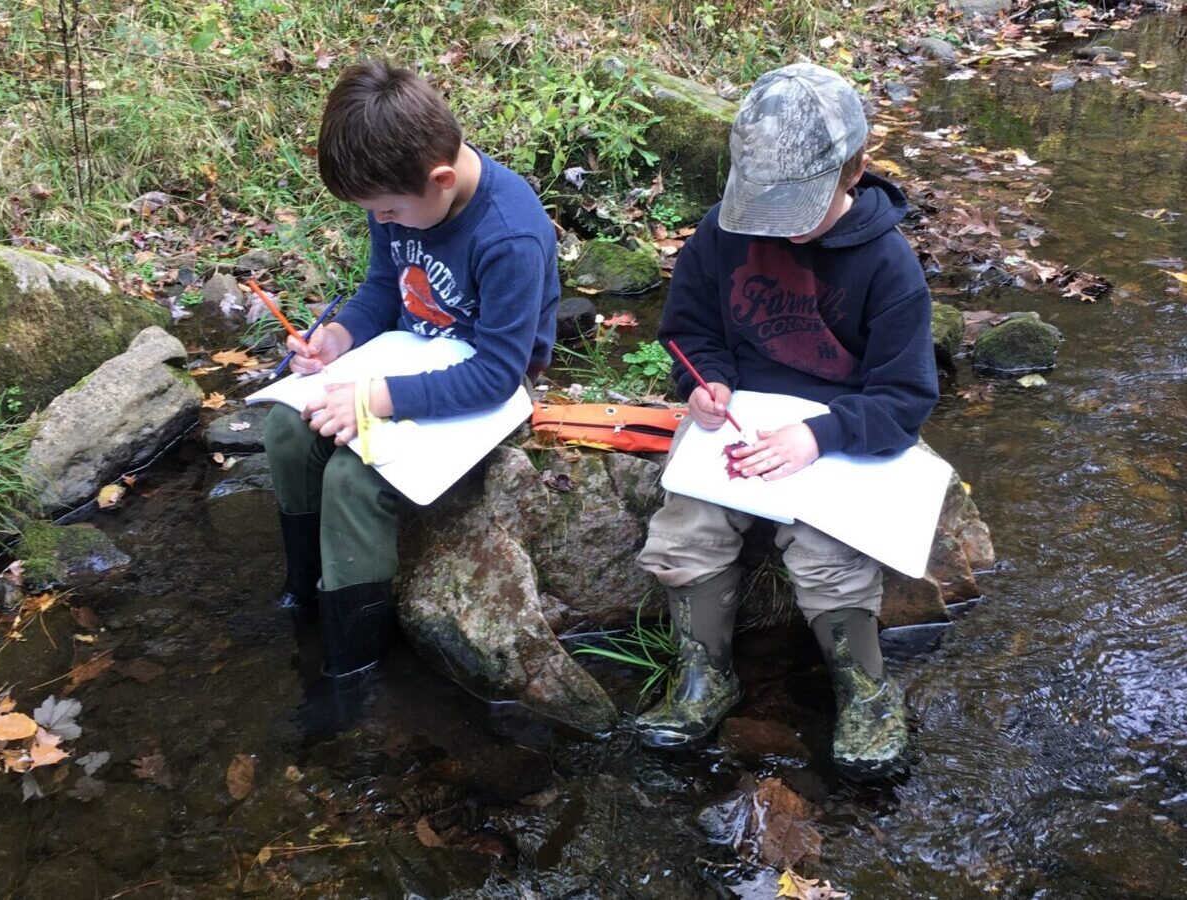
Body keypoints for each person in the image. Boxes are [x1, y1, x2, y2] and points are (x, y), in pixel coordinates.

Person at [633, 63, 938, 780]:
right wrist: (705, 383)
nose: (777, 231)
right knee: (687, 528)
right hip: (738, 421)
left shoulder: (888, 267)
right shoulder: (720, 233)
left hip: (843, 432)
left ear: (854, 172)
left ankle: (863, 688)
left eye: (795, 212)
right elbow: (691, 330)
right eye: (764, 211)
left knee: (829, 552)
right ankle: (704, 674)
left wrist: (819, 436)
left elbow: (905, 398)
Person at [262, 60, 559, 743]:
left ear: (441, 181)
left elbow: (496, 375)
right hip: (410, 358)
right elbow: (381, 289)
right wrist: (335, 339)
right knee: (286, 428)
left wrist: (378, 399)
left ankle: (351, 669)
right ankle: (302, 591)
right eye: (372, 212)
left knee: (352, 474)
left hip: (487, 392)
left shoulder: (509, 234)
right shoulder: (398, 196)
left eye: (387, 212)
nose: (380, 221)